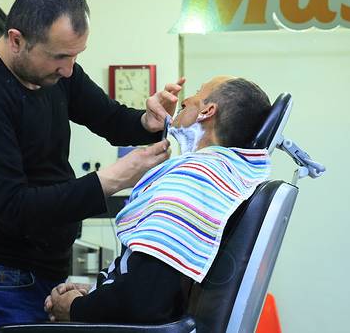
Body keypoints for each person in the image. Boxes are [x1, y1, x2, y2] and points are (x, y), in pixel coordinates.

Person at [0, 0, 184, 323]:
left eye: (76, 56)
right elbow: (14, 209)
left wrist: (147, 121)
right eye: (60, 57)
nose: (69, 70)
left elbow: (110, 118)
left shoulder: (57, 74)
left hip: (43, 273)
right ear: (16, 40)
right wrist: (109, 180)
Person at [44, 76, 273, 324]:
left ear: (207, 111)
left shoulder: (193, 181)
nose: (185, 99)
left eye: (197, 92)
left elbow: (144, 300)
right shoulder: (220, 177)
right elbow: (145, 288)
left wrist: (75, 308)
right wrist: (93, 294)